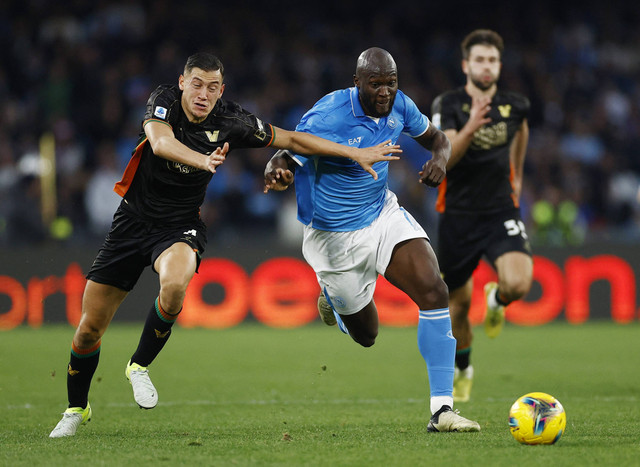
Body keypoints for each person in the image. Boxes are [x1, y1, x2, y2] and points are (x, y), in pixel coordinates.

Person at [49, 52, 402, 438]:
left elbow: (293, 139)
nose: (203, 94)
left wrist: (354, 151)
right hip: (131, 223)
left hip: (179, 226)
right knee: (88, 329)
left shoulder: (231, 120)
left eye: (212, 87)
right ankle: (76, 409)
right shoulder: (163, 101)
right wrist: (202, 161)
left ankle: (138, 366)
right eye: (197, 84)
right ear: (183, 83)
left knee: (176, 281)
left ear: (222, 90)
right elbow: (161, 143)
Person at [264, 47, 480, 433]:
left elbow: (439, 140)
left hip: (382, 215)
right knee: (367, 335)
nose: (385, 92)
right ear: (357, 82)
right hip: (332, 239)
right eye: (376, 84)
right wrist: (278, 173)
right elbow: (286, 152)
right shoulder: (329, 113)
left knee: (434, 289)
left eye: (391, 83)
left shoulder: (402, 106)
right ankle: (331, 297)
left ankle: (442, 410)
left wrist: (440, 162)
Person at [430, 29, 533, 402]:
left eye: (492, 60)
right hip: (457, 214)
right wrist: (473, 123)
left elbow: (520, 130)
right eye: (479, 60)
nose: (486, 66)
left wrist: (517, 175)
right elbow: (447, 156)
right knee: (456, 307)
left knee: (520, 283)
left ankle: (498, 301)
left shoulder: (515, 104)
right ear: (465, 65)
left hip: (500, 208)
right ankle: (464, 368)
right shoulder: (450, 103)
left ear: (499, 65)